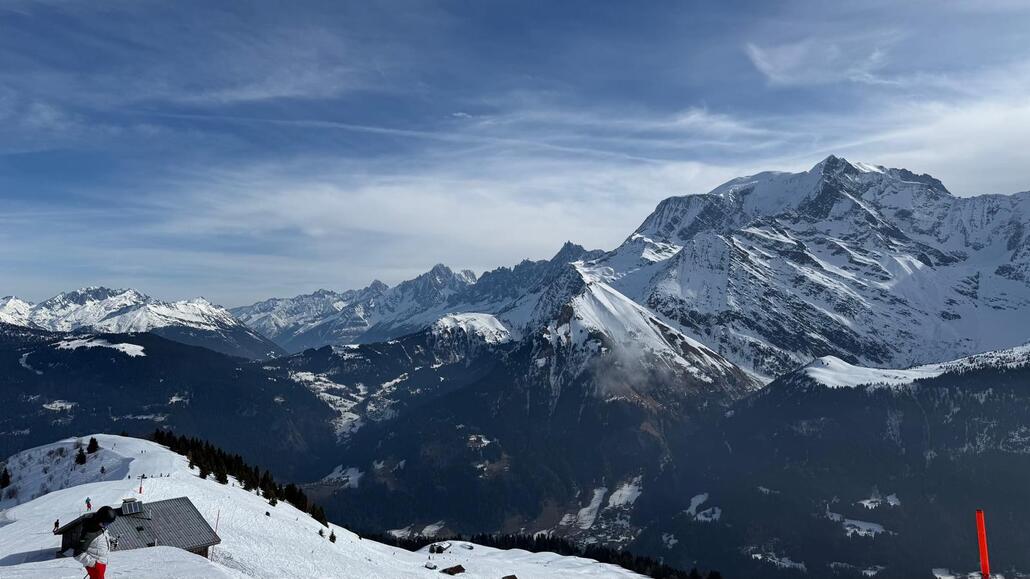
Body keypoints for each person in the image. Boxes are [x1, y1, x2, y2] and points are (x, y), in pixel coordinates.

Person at [74, 506, 117, 579]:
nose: (106, 526)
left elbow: (100, 538)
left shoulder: (100, 527)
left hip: (101, 563)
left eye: (108, 523)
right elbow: (77, 554)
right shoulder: (89, 532)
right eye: (105, 523)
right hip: (96, 566)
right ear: (99, 519)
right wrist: (94, 564)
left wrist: (110, 540)